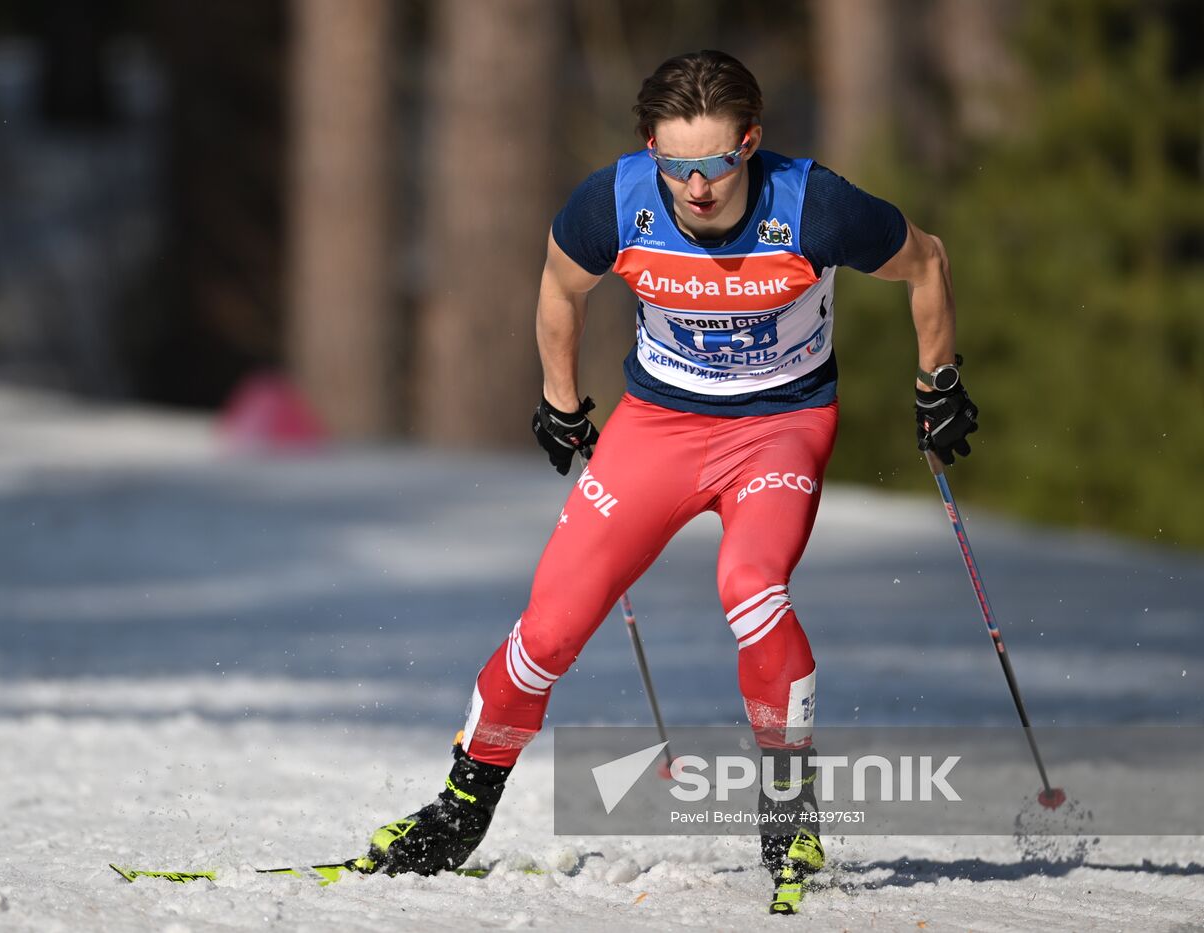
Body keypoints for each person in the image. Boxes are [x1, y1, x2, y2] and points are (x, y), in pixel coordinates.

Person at [356, 49, 978, 914]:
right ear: (651, 146)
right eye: (677, 164)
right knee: (549, 630)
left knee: (751, 589)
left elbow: (927, 262)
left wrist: (937, 382)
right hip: (659, 426)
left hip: (779, 425)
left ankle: (789, 811)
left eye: (717, 163)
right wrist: (560, 400)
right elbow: (560, 287)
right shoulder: (614, 201)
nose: (696, 187)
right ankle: (463, 806)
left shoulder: (814, 205)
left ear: (750, 144)